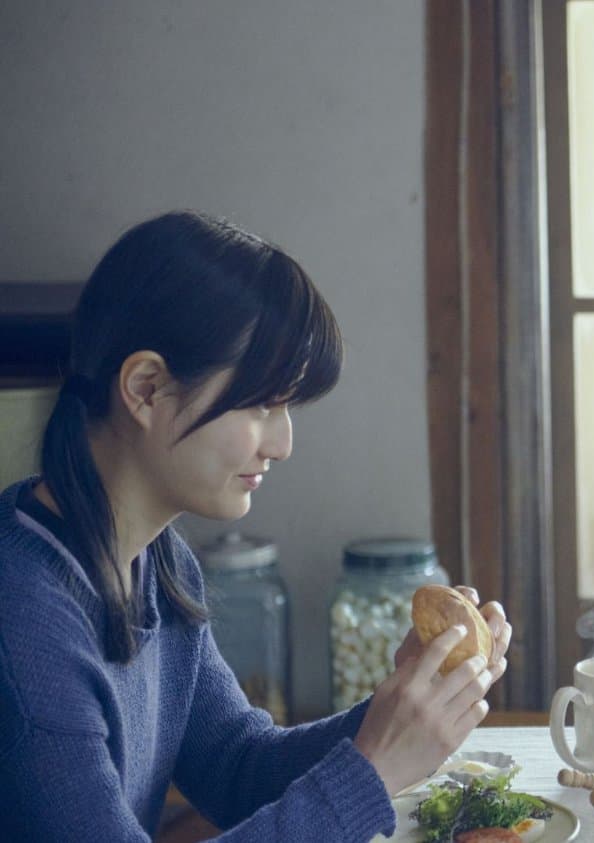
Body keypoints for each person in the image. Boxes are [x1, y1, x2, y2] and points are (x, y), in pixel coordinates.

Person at [0, 210, 513, 841]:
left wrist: (401, 706)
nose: (283, 442)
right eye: (262, 403)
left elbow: (239, 767)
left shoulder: (158, 560)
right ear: (146, 388)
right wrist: (375, 770)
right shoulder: (21, 615)